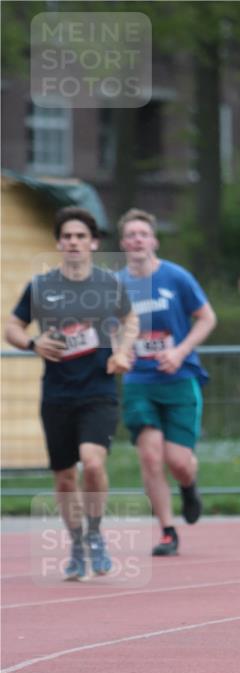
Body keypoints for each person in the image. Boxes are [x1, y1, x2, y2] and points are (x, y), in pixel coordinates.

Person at [4, 206, 137, 580]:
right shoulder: (42, 286)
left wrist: (124, 352)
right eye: (67, 237)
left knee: (92, 463)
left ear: (93, 243)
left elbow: (130, 321)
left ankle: (95, 535)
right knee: (64, 477)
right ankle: (76, 544)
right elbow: (12, 327)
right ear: (59, 243)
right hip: (57, 394)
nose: (74, 242)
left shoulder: (108, 284)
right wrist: (32, 343)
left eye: (81, 236)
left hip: (98, 390)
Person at [117, 208, 217, 556]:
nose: (137, 240)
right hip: (139, 381)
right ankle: (167, 530)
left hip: (179, 377)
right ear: (123, 243)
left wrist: (180, 350)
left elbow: (206, 318)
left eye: (143, 234)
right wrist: (119, 351)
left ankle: (188, 487)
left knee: (178, 461)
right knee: (149, 455)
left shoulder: (176, 277)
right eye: (130, 235)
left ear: (154, 240)